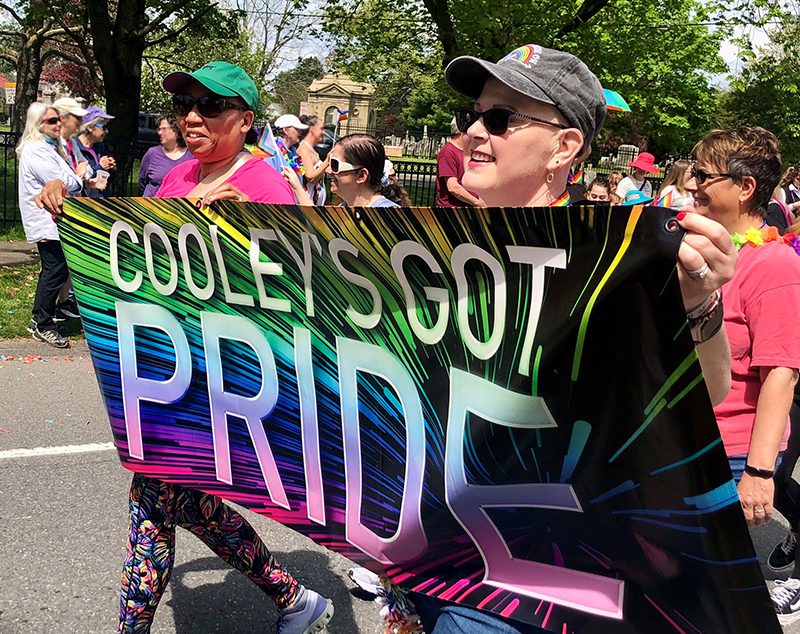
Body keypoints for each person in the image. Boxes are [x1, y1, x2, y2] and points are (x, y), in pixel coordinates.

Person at [403, 42, 737, 634]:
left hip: (525, 585)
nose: (475, 133)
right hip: (426, 553)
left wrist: (697, 307)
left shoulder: (610, 261)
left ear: (564, 146)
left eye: (501, 118)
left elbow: (706, 395)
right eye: (472, 116)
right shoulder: (428, 250)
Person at [34, 62, 333, 634]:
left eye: (211, 107)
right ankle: (295, 599)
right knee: (186, 502)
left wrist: (224, 231)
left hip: (228, 380)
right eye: (186, 106)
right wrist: (66, 202)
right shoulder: (180, 176)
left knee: (151, 500)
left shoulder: (265, 185)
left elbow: (296, 294)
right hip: (167, 370)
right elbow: (136, 255)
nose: (192, 117)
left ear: (245, 121)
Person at [17, 102, 84, 349]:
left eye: (58, 120)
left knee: (58, 270)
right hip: (46, 219)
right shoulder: (36, 150)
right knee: (55, 270)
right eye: (52, 121)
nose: (58, 124)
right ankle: (42, 323)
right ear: (38, 125)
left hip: (54, 219)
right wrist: (79, 175)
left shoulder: (48, 148)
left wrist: (73, 177)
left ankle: (44, 316)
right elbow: (67, 182)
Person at [435, 117, 485, 207]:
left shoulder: (467, 152)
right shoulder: (448, 152)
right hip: (452, 213)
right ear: (463, 131)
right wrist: (477, 203)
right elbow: (453, 187)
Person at [137, 114, 192, 196]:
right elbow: (142, 181)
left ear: (176, 131)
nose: (159, 132)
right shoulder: (152, 154)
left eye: (164, 129)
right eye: (159, 129)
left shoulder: (192, 156)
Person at [75, 105, 117, 197]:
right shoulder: (75, 148)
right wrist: (100, 167)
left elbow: (107, 179)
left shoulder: (100, 147)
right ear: (90, 127)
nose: (107, 131)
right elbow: (77, 178)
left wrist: (111, 168)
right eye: (104, 127)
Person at [297, 115, 330, 205]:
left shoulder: (311, 150)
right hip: (307, 202)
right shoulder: (304, 150)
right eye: (321, 128)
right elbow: (310, 177)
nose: (324, 132)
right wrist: (327, 161)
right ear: (312, 129)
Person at [274, 113, 308, 183]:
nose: (300, 132)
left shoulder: (293, 153)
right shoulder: (273, 151)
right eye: (297, 129)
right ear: (286, 130)